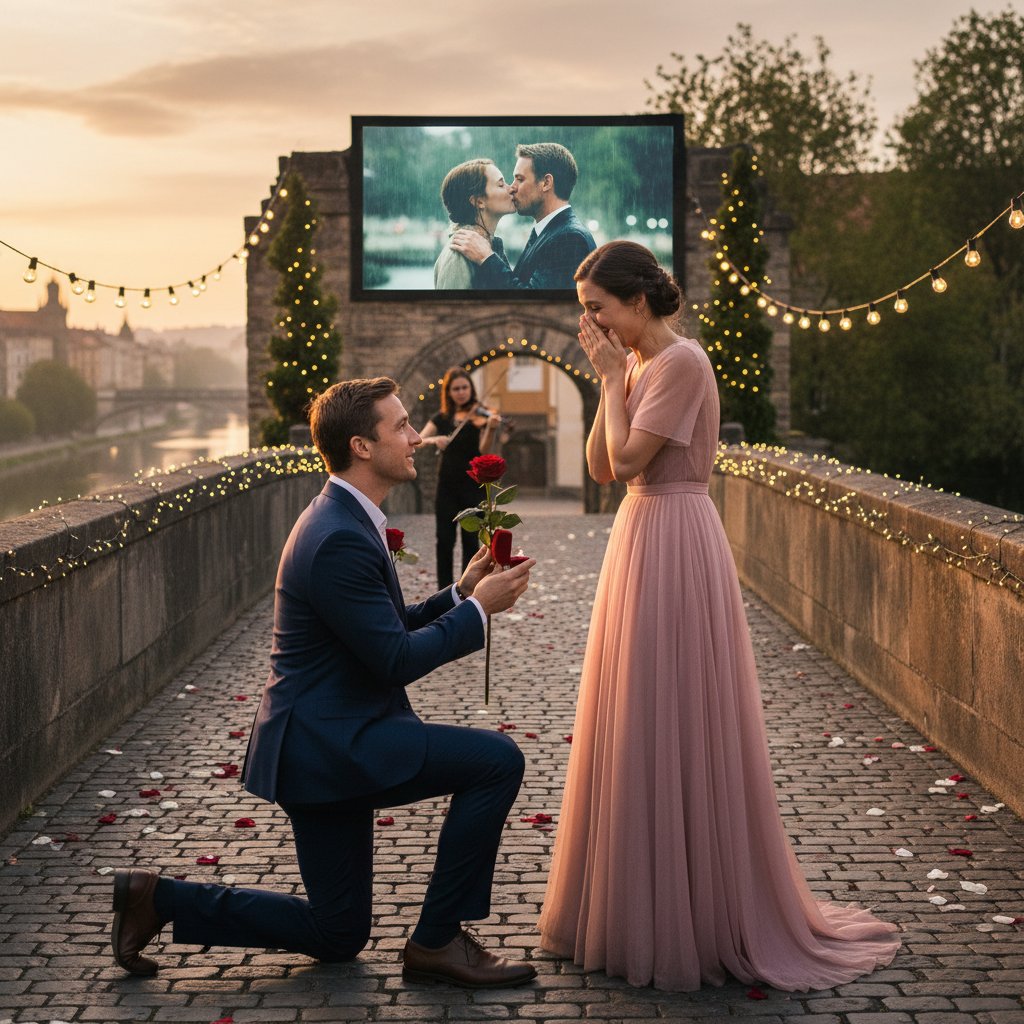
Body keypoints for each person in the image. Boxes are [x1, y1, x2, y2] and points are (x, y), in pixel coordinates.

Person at [537, 242, 900, 992]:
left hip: (675, 535)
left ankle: (695, 911)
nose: (591, 322)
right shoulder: (636, 365)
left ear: (638, 301)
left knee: (674, 711)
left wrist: (608, 377)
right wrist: (611, 378)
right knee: (634, 712)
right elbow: (604, 470)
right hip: (640, 534)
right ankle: (643, 902)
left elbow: (632, 461)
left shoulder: (680, 363)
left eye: (598, 307)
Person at [110, 376, 538, 989]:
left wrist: (460, 593)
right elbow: (392, 660)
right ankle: (438, 941)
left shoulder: (343, 516)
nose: (417, 437)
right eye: (401, 427)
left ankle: (159, 900)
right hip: (335, 745)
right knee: (496, 760)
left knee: (338, 934)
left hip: (322, 743)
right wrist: (477, 614)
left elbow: (377, 630)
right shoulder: (339, 534)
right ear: (362, 446)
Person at [450, 142, 596, 289]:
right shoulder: (549, 232)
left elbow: (533, 304)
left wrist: (487, 257)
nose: (512, 187)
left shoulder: (570, 238)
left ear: (546, 183)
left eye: (520, 179)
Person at [419, 368, 502, 588]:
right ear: (448, 392)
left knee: (470, 542)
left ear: (471, 389)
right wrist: (436, 439)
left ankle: (469, 588)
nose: (461, 392)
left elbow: (483, 450)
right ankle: (444, 590)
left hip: (473, 485)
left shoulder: (480, 415)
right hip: (446, 485)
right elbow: (418, 440)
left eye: (465, 387)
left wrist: (491, 429)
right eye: (456, 389)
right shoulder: (441, 417)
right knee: (444, 541)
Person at [433, 159, 515, 289]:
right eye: (501, 185)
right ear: (479, 201)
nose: (511, 188)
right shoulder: (458, 256)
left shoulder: (486, 248)